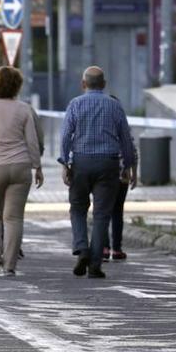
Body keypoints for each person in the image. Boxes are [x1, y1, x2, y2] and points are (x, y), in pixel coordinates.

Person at [59, 66, 137, 279]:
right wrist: (128, 166)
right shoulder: (114, 106)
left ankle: (82, 248)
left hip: (81, 164)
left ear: (83, 84)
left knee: (77, 209)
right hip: (108, 164)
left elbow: (66, 136)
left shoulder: (75, 104)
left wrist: (65, 162)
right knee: (102, 214)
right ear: (103, 84)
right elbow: (125, 139)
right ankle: (95, 264)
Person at [0, 67, 44, 277]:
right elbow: (32, 140)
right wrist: (37, 166)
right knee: (14, 218)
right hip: (21, 166)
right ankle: (10, 265)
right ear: (17, 86)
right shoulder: (24, 109)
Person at [105, 94, 138, 262]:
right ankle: (117, 249)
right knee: (117, 211)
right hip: (122, 173)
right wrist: (134, 172)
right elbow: (131, 148)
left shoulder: (100, 123)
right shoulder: (122, 123)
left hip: (104, 172)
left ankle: (104, 247)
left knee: (102, 210)